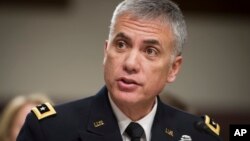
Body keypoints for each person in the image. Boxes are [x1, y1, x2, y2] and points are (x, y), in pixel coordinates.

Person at [17, 0, 222, 141]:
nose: (130, 63)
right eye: (122, 45)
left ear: (173, 68)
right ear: (106, 52)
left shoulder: (199, 135)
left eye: (150, 51)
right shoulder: (49, 130)